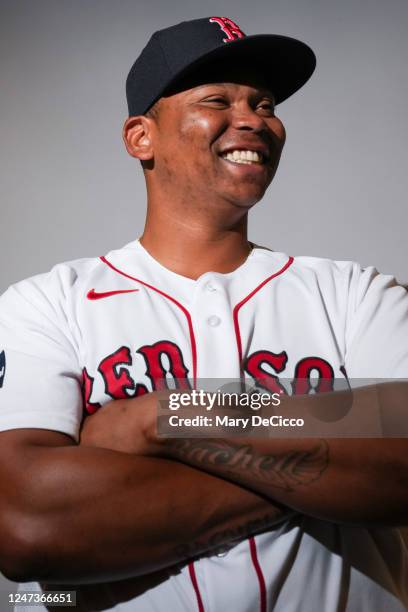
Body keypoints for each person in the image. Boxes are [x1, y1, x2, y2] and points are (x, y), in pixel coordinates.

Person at [0, 15, 407, 612]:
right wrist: (329, 475)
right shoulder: (45, 304)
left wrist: (163, 420)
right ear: (142, 137)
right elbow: (28, 528)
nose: (253, 119)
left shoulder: (355, 293)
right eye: (217, 99)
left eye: (264, 104)